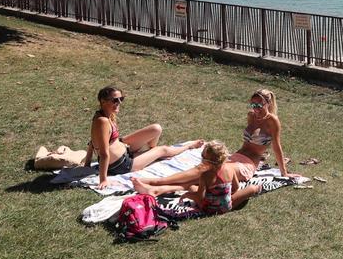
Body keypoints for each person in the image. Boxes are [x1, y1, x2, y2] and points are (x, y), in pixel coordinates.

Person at [130, 88, 299, 190]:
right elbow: (246, 142)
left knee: (208, 174)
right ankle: (156, 187)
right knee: (204, 169)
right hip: (235, 156)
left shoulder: (272, 121)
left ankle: (155, 183)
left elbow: (277, 146)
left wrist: (283, 172)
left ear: (268, 103)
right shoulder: (251, 116)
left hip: (247, 165)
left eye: (258, 105)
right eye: (252, 105)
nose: (254, 109)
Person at [83, 86, 203, 189]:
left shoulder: (105, 115)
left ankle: (150, 153)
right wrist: (103, 179)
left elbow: (93, 141)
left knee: (156, 129)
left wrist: (87, 163)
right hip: (122, 165)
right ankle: (189, 145)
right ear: (103, 101)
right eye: (115, 100)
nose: (119, 103)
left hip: (124, 147)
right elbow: (103, 153)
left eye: (121, 99)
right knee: (163, 150)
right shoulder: (102, 121)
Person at [131, 141, 261, 213]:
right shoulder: (230, 169)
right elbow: (236, 187)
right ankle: (157, 188)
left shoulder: (205, 175)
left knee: (193, 187)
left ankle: (156, 185)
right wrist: (223, 194)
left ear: (207, 160)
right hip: (226, 206)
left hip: (208, 208)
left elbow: (200, 196)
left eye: (202, 157)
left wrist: (187, 195)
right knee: (253, 188)